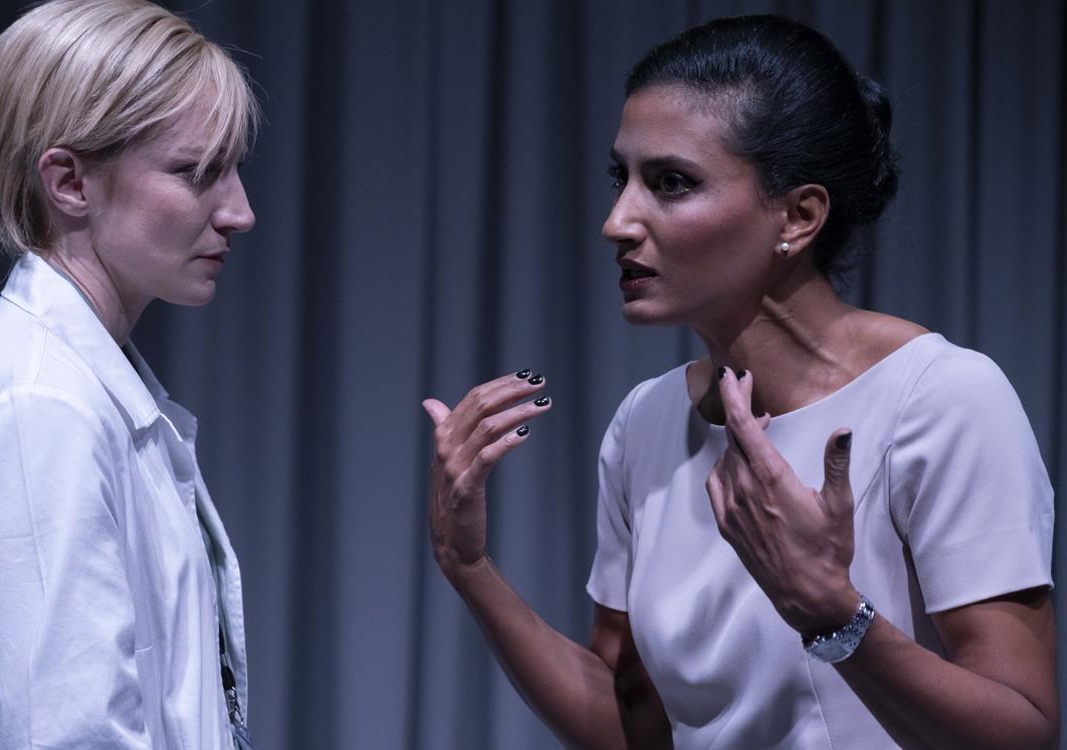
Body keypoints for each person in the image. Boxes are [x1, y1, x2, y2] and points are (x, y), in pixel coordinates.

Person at [422, 14, 1057, 750]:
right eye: (621, 178)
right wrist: (467, 565)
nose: (617, 222)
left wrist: (833, 613)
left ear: (799, 216)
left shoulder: (941, 398)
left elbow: (1025, 729)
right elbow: (633, 726)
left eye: (671, 183)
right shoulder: (645, 422)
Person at [0, 1, 259, 747]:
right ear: (68, 182)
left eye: (234, 170)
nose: (240, 212)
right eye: (196, 172)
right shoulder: (39, 409)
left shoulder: (81, 390)